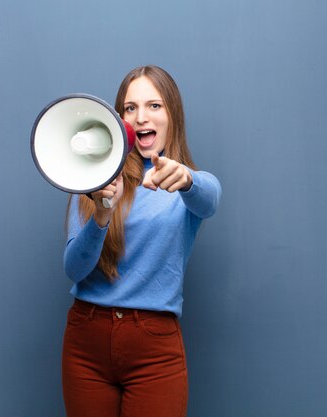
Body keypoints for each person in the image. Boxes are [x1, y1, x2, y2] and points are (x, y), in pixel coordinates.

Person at [61, 65, 221, 417]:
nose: (141, 116)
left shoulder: (186, 183)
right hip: (86, 342)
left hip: (154, 349)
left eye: (154, 106)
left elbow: (209, 200)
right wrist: (102, 214)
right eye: (130, 108)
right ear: (119, 121)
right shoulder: (92, 179)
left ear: (172, 114)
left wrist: (186, 178)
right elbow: (74, 269)